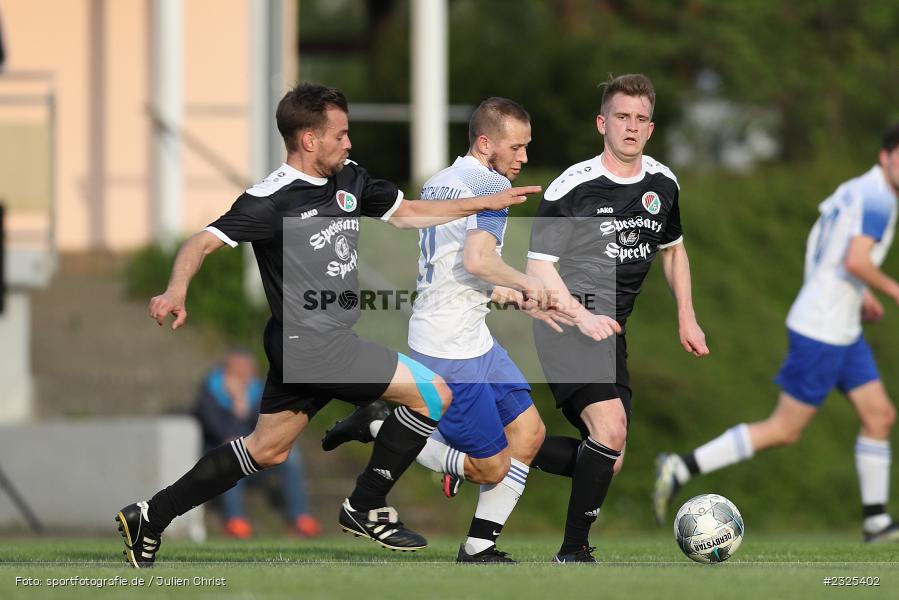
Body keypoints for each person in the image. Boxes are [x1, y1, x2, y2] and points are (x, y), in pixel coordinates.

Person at [114, 82, 540, 568]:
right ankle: (365, 505)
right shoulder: (270, 199)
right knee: (433, 392)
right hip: (311, 343)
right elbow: (201, 242)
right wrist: (175, 288)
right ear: (309, 140)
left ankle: (151, 515)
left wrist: (479, 205)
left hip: (313, 343)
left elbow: (408, 215)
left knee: (266, 450)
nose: (349, 142)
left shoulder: (350, 180)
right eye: (340, 134)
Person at [321, 98, 575, 563]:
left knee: (530, 435)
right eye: (515, 148)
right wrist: (532, 282)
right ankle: (382, 424)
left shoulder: (442, 181)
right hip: (450, 348)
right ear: (485, 143)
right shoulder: (492, 188)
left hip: (471, 337)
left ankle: (479, 547)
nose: (522, 158)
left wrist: (514, 295)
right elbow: (479, 260)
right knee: (489, 467)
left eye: (526, 148)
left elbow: (457, 270)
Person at [654, 123, 899, 543]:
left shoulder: (859, 188)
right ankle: (681, 466)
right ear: (885, 156)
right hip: (823, 329)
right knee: (784, 429)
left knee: (879, 415)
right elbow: (856, 260)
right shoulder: (878, 199)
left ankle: (876, 521)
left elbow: (824, 250)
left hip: (842, 326)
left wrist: (859, 298)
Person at [525, 73, 709, 563]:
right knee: (608, 429)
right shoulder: (574, 186)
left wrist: (686, 319)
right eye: (622, 117)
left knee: (610, 456)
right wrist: (581, 316)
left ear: (651, 128)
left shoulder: (663, 183)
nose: (631, 127)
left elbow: (673, 251)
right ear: (601, 123)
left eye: (641, 119)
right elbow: (537, 268)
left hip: (611, 332)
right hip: (566, 322)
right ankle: (574, 551)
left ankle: (495, 453)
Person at [193, 348, 321, 539]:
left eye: (248, 371)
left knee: (292, 456)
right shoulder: (211, 391)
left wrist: (242, 403)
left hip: (256, 452)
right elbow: (214, 428)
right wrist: (236, 405)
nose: (244, 376)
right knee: (231, 454)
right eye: (239, 371)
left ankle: (300, 517)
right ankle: (235, 520)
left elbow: (267, 424)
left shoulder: (258, 391)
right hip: (222, 454)